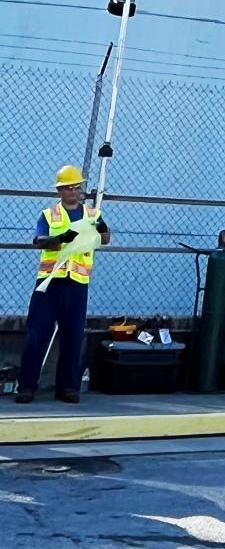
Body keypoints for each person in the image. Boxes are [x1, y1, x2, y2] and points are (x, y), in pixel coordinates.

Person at [16, 165, 111, 404]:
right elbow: (39, 241)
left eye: (77, 187)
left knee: (73, 336)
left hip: (77, 283)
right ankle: (26, 386)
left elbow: (106, 239)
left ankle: (68, 387)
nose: (73, 191)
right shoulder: (49, 215)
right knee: (37, 334)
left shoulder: (92, 215)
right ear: (59, 191)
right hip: (51, 282)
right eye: (68, 188)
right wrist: (59, 239)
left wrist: (103, 228)